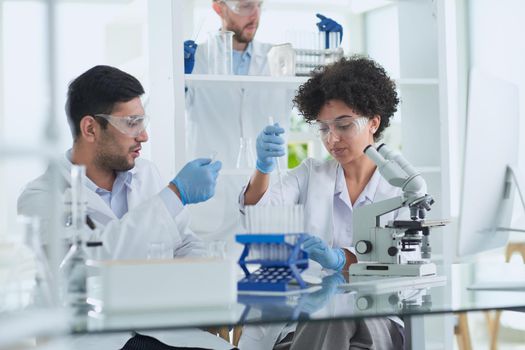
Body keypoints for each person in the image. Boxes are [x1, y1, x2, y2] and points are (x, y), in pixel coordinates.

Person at [239, 56, 405, 349]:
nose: (332, 139)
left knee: (337, 313)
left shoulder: (400, 188)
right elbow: (259, 215)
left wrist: (345, 258)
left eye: (344, 125)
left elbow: (403, 257)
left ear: (374, 123)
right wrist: (263, 168)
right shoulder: (310, 173)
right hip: (306, 322)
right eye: (324, 128)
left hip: (377, 318)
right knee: (331, 314)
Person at [18, 65, 222, 260]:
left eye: (142, 123)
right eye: (132, 123)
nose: (143, 136)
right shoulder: (40, 197)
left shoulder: (146, 173)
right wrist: (175, 194)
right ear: (90, 129)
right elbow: (91, 263)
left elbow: (185, 243)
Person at [183, 0, 344, 244]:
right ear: (219, 8)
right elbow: (157, 109)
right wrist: (176, 76)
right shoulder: (198, 58)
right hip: (212, 201)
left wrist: (330, 55)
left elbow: (322, 96)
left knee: (267, 270)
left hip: (266, 196)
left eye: (259, 5)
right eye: (245, 6)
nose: (255, 14)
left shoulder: (280, 58)